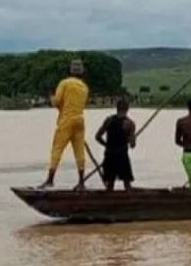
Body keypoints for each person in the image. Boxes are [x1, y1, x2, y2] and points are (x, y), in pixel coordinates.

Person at [39, 58, 89, 190]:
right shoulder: (84, 87)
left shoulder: (65, 83)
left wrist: (51, 97)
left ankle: (50, 180)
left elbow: (57, 102)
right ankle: (81, 182)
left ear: (70, 71)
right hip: (80, 121)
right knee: (79, 152)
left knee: (57, 149)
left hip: (66, 120)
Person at [95, 98, 137, 191]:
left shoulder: (109, 120)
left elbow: (97, 137)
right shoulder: (129, 123)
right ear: (127, 109)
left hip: (109, 154)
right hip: (122, 156)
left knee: (110, 185)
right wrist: (131, 139)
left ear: (116, 108)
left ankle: (108, 198)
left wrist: (106, 145)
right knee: (127, 185)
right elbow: (132, 145)